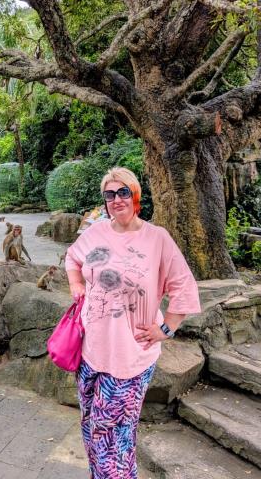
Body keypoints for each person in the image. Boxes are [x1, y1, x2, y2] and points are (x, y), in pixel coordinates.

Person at [65, 166, 201, 479]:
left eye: (123, 192)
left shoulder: (157, 239)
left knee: (113, 433)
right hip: (90, 352)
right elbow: (72, 257)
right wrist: (76, 283)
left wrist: (166, 328)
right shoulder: (96, 233)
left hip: (130, 355)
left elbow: (184, 286)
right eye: (110, 194)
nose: (117, 199)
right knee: (90, 425)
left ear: (135, 195)